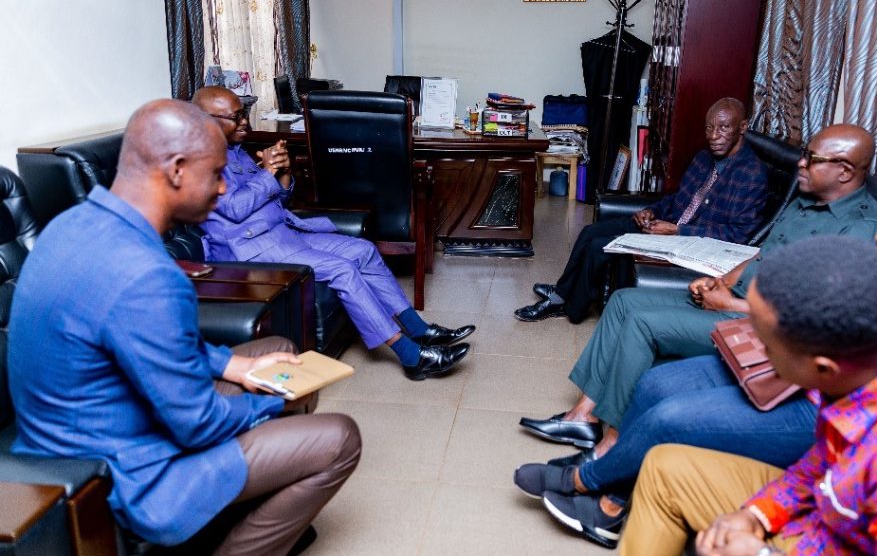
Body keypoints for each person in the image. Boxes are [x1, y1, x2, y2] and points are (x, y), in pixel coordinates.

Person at [513, 175, 877, 546]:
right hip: (804, 378)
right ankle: (615, 496)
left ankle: (594, 485)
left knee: (671, 418)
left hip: (818, 401)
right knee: (658, 385)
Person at [7, 100, 361, 555]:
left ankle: (248, 505)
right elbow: (197, 424)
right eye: (216, 173)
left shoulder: (71, 226)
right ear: (176, 169)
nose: (221, 188)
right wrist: (276, 399)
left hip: (66, 433)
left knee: (275, 350)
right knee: (338, 437)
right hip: (126, 473)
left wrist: (235, 367)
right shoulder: (147, 275)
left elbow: (144, 345)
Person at [616, 237, 877, 555]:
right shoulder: (876, 363)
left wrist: (759, 553)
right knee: (665, 466)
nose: (756, 348)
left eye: (767, 344)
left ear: (822, 366)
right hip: (832, 520)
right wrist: (757, 514)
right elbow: (823, 462)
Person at [519, 124, 877, 451]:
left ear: (845, 171)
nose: (800, 164)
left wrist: (733, 305)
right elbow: (759, 255)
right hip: (735, 299)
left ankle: (612, 443)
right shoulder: (805, 202)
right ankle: (583, 416)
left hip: (762, 327)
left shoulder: (858, 230)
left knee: (642, 324)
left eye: (812, 159)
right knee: (624, 302)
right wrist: (720, 281)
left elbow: (817, 320)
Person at [193, 86, 472, 380]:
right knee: (342, 269)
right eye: (235, 117)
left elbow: (279, 199)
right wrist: (267, 173)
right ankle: (412, 356)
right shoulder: (201, 161)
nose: (244, 122)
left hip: (283, 232)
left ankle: (418, 329)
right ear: (204, 119)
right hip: (251, 250)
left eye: (244, 113)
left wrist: (284, 171)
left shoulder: (237, 152)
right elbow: (235, 209)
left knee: (363, 250)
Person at [515, 97, 769, 323]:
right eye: (709, 127)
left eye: (724, 127)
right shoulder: (703, 159)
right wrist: (651, 210)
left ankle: (567, 305)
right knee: (590, 232)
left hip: (686, 243)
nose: (714, 135)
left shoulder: (751, 174)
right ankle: (563, 291)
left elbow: (739, 235)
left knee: (597, 247)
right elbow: (677, 200)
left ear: (743, 127)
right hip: (662, 226)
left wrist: (678, 231)